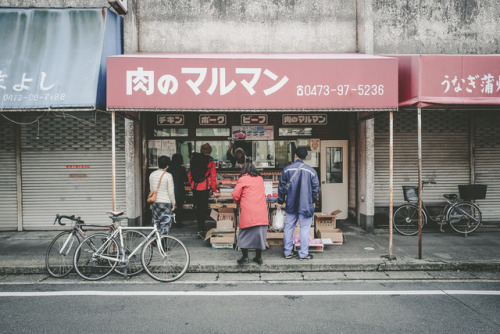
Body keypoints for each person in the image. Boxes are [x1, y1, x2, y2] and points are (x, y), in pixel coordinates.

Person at [277, 147, 320, 260]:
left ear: (295, 155)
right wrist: (314, 200)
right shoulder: (311, 171)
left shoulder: (287, 170)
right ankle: (303, 254)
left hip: (291, 203)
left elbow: (281, 187)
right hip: (306, 205)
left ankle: (288, 252)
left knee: (289, 227)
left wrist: (280, 201)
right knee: (305, 228)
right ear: (305, 157)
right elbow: (316, 188)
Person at [232, 163, 269, 265]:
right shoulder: (260, 179)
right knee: (259, 235)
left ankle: (245, 257)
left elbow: (235, 195)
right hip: (261, 212)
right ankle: (258, 257)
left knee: (244, 234)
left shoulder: (243, 179)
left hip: (248, 212)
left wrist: (239, 201)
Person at [189, 143, 218, 238]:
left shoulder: (194, 159)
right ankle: (202, 228)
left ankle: (200, 227)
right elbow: (213, 177)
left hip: (195, 187)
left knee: (198, 207)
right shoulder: (210, 163)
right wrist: (214, 189)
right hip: (204, 188)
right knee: (203, 208)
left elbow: (190, 175)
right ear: (210, 151)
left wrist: (192, 185)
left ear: (201, 150)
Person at [149, 155, 176, 225]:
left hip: (155, 202)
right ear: (167, 165)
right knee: (166, 223)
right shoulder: (168, 176)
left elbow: (152, 189)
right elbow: (171, 192)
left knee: (156, 222)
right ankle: (163, 236)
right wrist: (174, 203)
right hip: (166, 203)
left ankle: (157, 235)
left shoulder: (152, 174)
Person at [168, 153, 188, 226]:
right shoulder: (181, 169)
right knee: (179, 207)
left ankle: (169, 221)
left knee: (170, 206)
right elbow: (186, 179)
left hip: (170, 190)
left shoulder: (168, 169)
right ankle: (178, 222)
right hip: (179, 190)